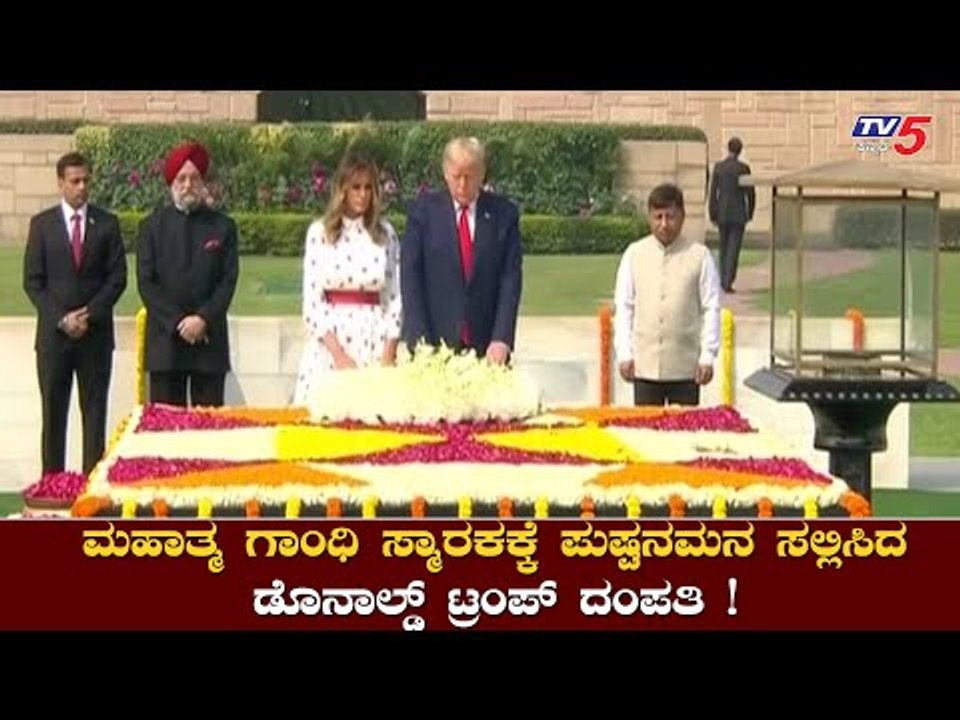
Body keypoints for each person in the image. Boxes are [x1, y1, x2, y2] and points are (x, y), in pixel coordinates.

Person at [22, 152, 127, 475]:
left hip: (94, 338)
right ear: (60, 183)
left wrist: (89, 314)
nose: (82, 187)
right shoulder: (42, 226)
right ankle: (52, 485)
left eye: (86, 181)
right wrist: (62, 318)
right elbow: (33, 282)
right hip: (54, 340)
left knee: (94, 415)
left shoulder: (107, 224)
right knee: (54, 415)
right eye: (75, 181)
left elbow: (117, 278)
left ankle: (91, 486)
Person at [292, 151, 402, 405]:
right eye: (355, 187)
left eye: (367, 188)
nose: (362, 195)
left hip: (373, 337)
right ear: (342, 189)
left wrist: (388, 354)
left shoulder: (385, 234)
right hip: (331, 343)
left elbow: (395, 297)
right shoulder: (320, 233)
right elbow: (312, 302)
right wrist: (338, 354)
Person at [400, 136, 522, 364]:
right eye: (457, 177)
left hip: (487, 348)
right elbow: (411, 277)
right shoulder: (423, 213)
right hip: (434, 346)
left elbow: (510, 279)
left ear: (482, 173)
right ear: (446, 172)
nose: (463, 185)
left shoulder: (503, 214)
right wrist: (419, 340)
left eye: (470, 176)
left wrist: (501, 338)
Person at [136, 141, 239, 407]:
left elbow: (227, 282)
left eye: (194, 178)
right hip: (166, 344)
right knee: (167, 434)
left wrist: (202, 319)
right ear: (172, 182)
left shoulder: (223, 227)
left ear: (202, 182)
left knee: (208, 432)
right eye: (181, 178)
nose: (187, 185)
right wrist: (179, 323)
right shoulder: (151, 227)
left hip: (208, 342)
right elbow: (147, 283)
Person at [613, 183, 721, 406]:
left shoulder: (700, 256)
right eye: (658, 217)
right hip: (644, 366)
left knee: (684, 438)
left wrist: (707, 356)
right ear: (649, 218)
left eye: (670, 216)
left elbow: (711, 307)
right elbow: (624, 306)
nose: (664, 224)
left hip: (686, 368)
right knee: (645, 436)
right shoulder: (634, 254)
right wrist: (624, 352)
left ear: (682, 216)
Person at [708, 136, 756, 293]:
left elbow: (714, 192)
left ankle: (723, 279)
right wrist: (750, 212)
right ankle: (728, 280)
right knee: (733, 249)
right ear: (740, 151)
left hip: (722, 211)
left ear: (728, 149)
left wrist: (712, 213)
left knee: (723, 247)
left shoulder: (719, 167)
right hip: (738, 213)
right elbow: (750, 193)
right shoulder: (743, 168)